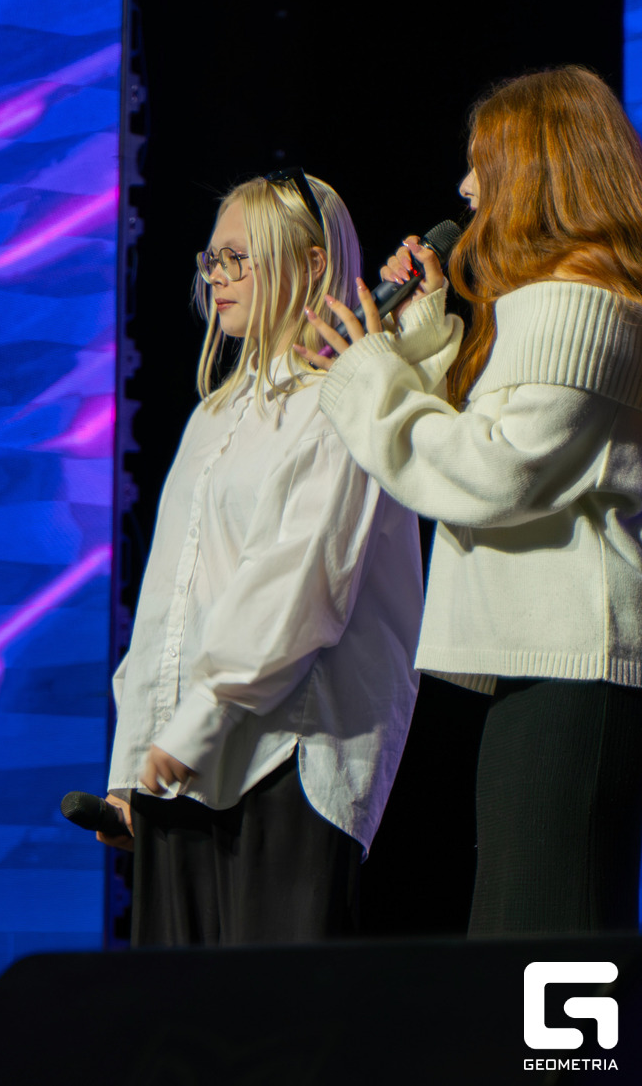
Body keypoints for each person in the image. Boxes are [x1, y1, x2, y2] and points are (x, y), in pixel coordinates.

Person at [304, 66, 642, 935]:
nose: (465, 187)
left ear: (536, 171)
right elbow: (476, 437)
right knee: (518, 935)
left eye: (481, 165)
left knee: (550, 936)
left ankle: (570, 1038)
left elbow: (491, 474)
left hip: (578, 667)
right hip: (548, 665)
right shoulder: (547, 305)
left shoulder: (581, 304)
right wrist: (421, 332)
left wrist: (371, 369)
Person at [104, 169, 424, 944]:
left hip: (287, 767)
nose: (215, 277)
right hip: (180, 774)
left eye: (236, 259)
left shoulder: (342, 402)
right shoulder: (213, 418)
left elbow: (297, 591)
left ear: (311, 262)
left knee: (276, 1015)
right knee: (175, 1018)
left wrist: (192, 727)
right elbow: (167, 602)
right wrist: (131, 760)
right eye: (209, 260)